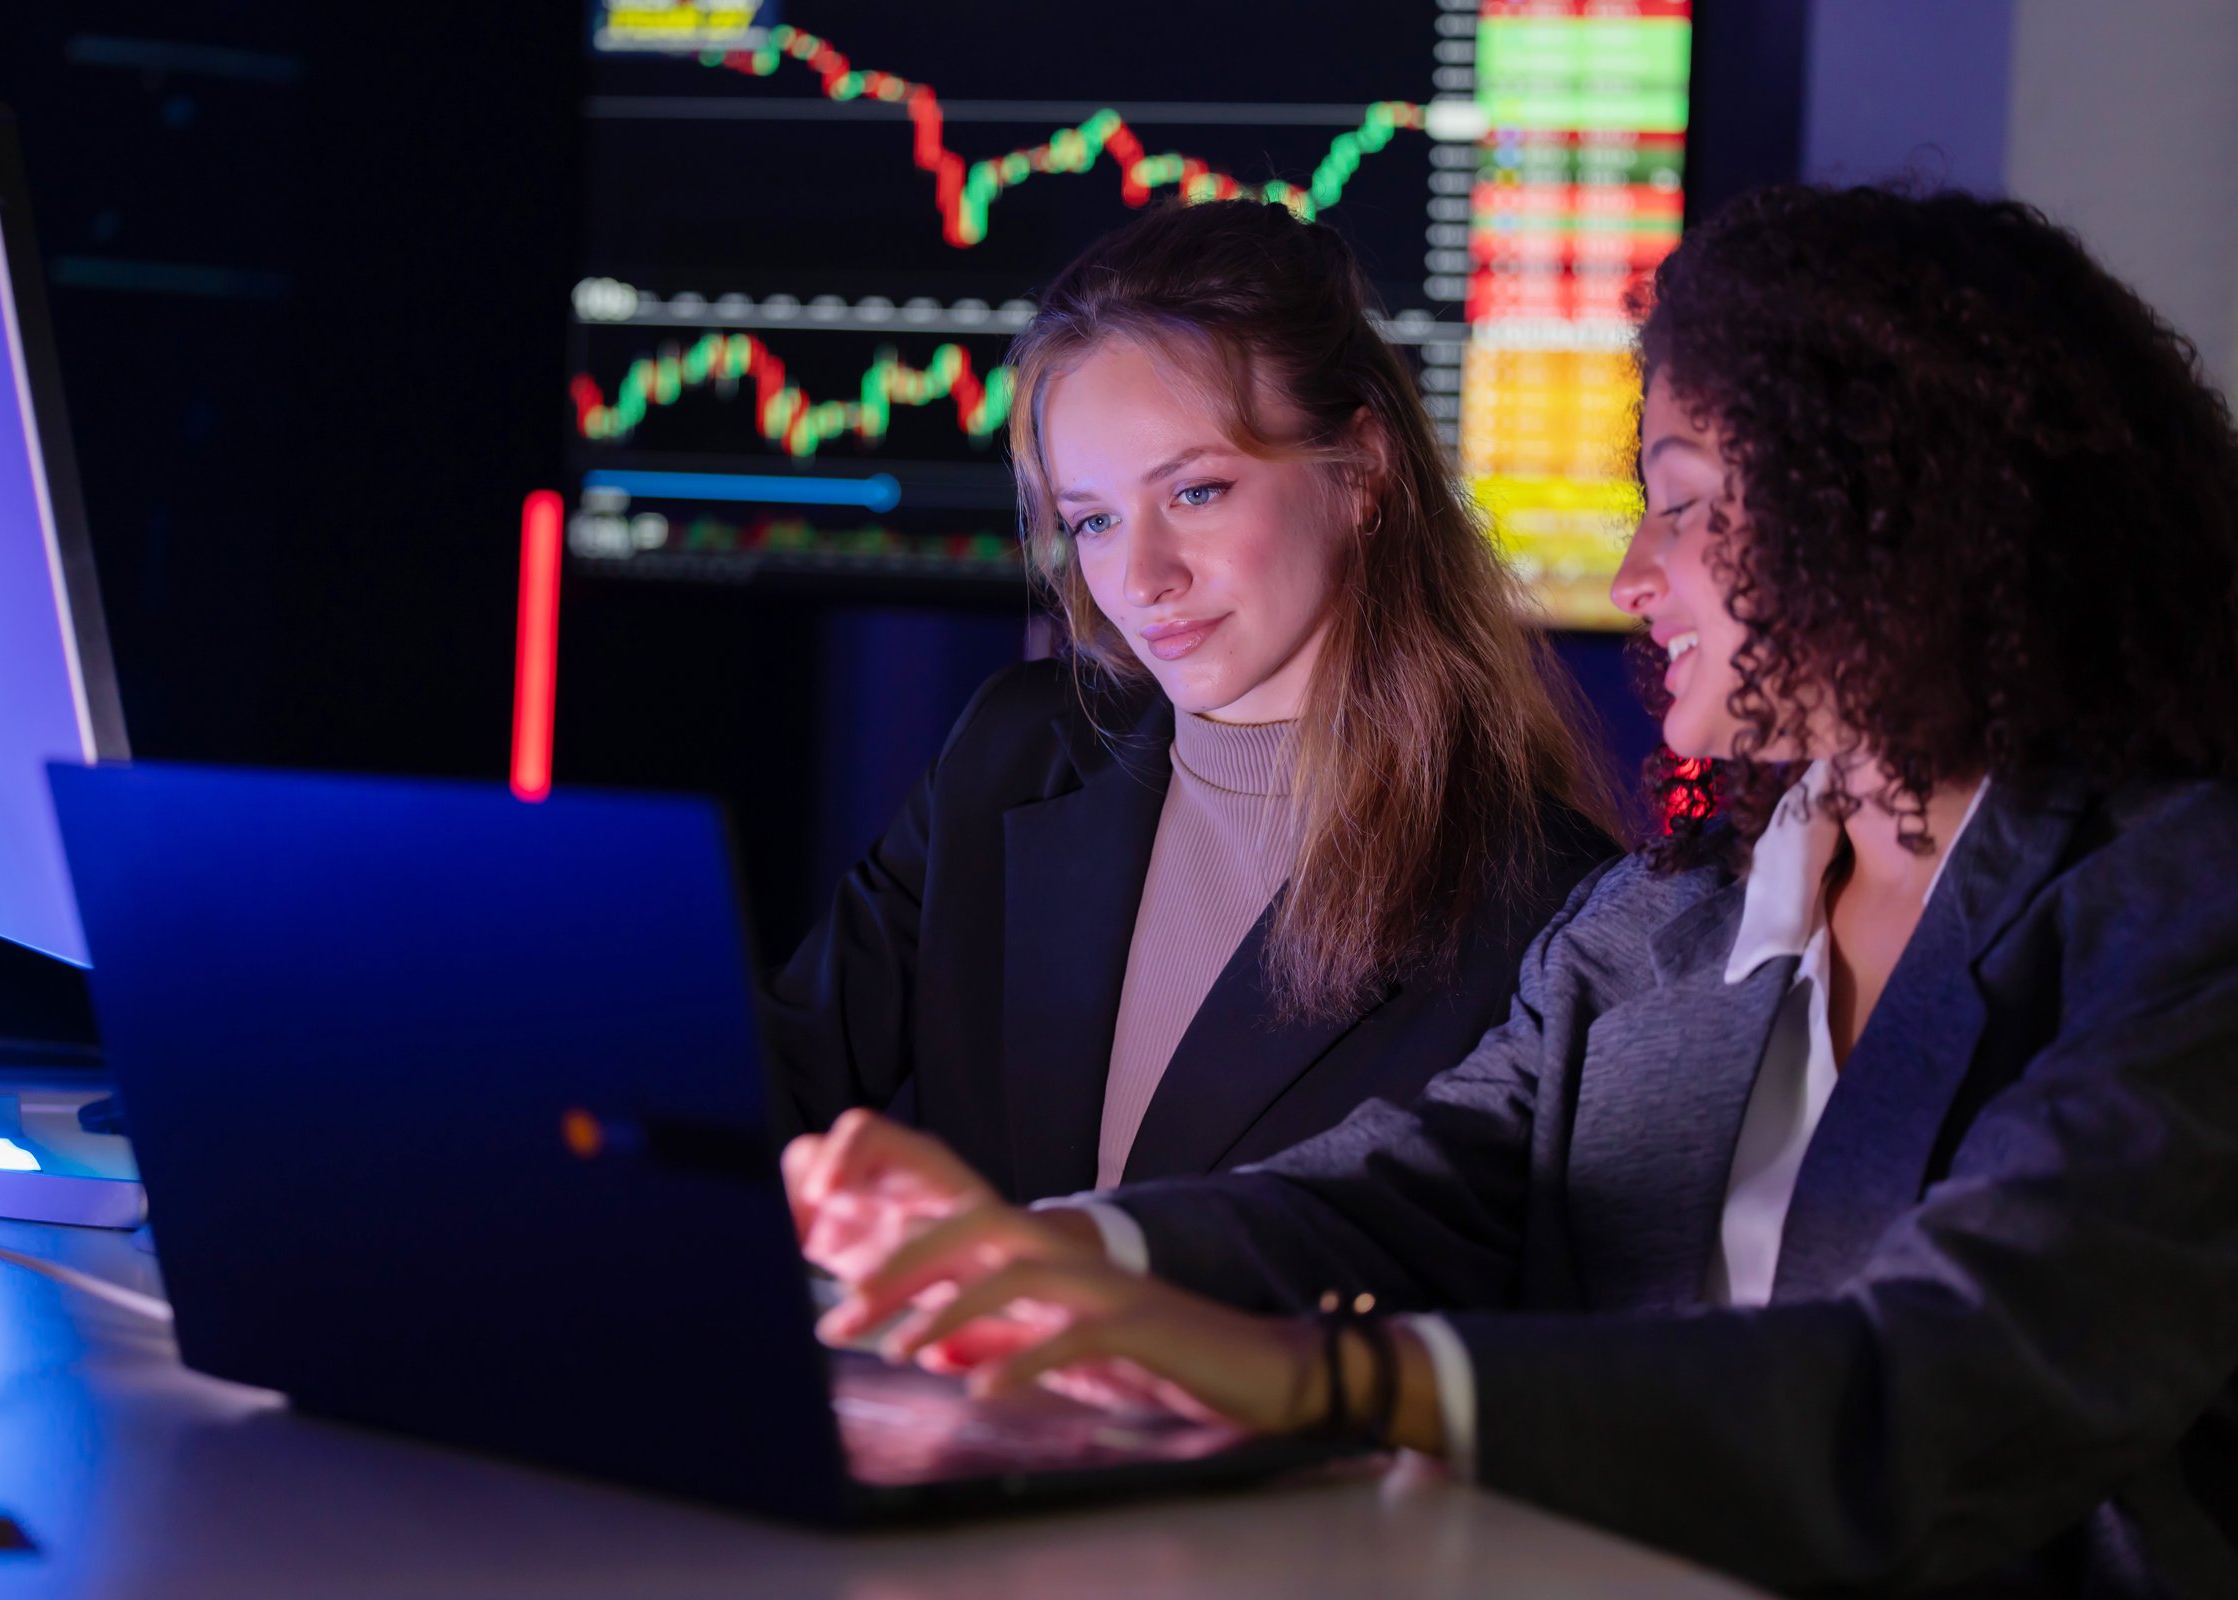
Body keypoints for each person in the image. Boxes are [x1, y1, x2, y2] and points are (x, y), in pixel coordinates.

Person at [782, 185, 2238, 1597]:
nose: (1634, 574)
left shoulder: (2180, 912)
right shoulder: (1665, 924)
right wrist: (1057, 1252)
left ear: (1903, 520)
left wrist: (1335, 1377)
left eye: (1680, 508)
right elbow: (1410, 1188)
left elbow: (1942, 1381)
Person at [763, 199, 1624, 1203]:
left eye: (1197, 492)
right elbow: (772, 1080)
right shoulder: (1014, 754)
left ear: (1363, 468)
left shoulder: (1550, 907)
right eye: (1092, 521)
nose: (1140, 578)